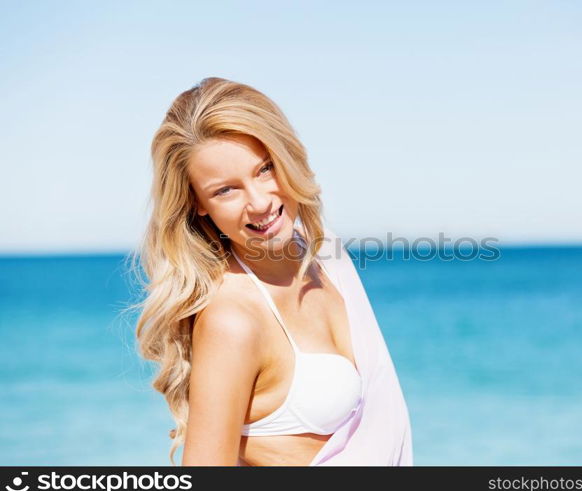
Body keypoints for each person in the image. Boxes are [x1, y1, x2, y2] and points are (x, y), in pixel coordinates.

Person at [129, 77, 413, 466]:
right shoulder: (232, 319)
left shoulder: (326, 254)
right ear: (197, 204)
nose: (260, 202)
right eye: (226, 190)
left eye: (264, 169)